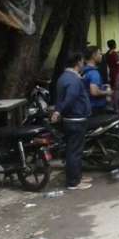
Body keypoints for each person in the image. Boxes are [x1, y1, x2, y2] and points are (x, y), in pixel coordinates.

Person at [52, 52, 92, 191]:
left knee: (73, 150)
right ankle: (73, 182)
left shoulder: (63, 77)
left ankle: (77, 177)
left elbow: (60, 99)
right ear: (78, 63)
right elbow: (70, 98)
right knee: (74, 152)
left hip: (70, 119)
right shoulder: (73, 80)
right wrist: (59, 111)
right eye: (82, 62)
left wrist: (58, 110)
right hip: (76, 119)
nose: (83, 64)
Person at [83, 46, 111, 115]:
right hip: (96, 108)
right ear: (93, 55)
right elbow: (94, 92)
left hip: (86, 106)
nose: (101, 56)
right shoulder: (94, 73)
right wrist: (107, 92)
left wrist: (102, 86)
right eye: (100, 54)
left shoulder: (83, 70)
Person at [105, 39, 119, 111]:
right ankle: (117, 107)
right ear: (114, 45)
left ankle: (113, 105)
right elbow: (118, 62)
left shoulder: (107, 54)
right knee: (117, 90)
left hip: (111, 73)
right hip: (117, 73)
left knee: (113, 88)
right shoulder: (114, 54)